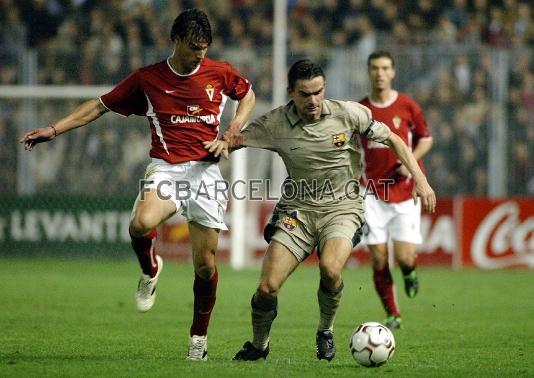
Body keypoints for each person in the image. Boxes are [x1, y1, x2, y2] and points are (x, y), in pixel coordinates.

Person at [19, 8, 255, 361]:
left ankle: (198, 340)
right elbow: (99, 106)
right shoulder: (148, 79)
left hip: (206, 175)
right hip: (167, 169)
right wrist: (54, 130)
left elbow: (247, 94)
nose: (198, 55)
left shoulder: (219, 73)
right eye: (193, 47)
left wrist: (235, 127)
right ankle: (151, 268)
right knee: (141, 223)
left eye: (204, 48)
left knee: (205, 266)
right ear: (175, 40)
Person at [204, 59, 435, 361]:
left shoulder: (349, 113)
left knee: (330, 268)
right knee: (267, 288)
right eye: (304, 94)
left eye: (318, 92)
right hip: (297, 211)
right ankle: (259, 346)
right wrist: (220, 145)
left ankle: (325, 330)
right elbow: (234, 141)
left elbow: (393, 138)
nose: (313, 100)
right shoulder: (275, 123)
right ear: (291, 93)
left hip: (343, 208)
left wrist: (421, 179)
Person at [358, 50, 433, 330]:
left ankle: (410, 272)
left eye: (385, 67)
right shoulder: (360, 110)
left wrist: (409, 160)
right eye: (375, 68)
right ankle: (392, 312)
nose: (380, 72)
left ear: (393, 72)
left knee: (404, 258)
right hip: (371, 193)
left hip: (405, 191)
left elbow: (426, 139)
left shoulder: (407, 105)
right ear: (369, 71)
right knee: (378, 258)